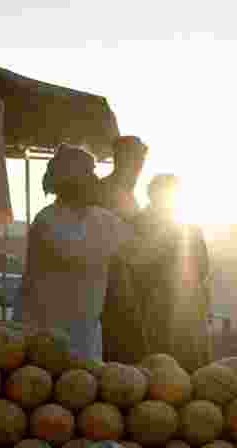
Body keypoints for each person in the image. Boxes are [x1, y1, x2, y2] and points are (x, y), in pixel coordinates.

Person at [17, 144, 133, 361]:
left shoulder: (103, 218)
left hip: (85, 336)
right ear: (69, 181)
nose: (95, 181)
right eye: (88, 174)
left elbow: (135, 251)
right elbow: (75, 253)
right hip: (44, 332)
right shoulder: (47, 220)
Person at [119, 174, 214, 371]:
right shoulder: (138, 225)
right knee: (166, 368)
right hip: (156, 308)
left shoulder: (186, 228)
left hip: (179, 307)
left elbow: (203, 270)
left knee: (181, 368)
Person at [98, 136, 150, 364]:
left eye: (141, 164)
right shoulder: (104, 191)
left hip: (127, 279)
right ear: (120, 160)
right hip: (108, 280)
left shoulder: (128, 194)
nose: (138, 170)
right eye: (135, 162)